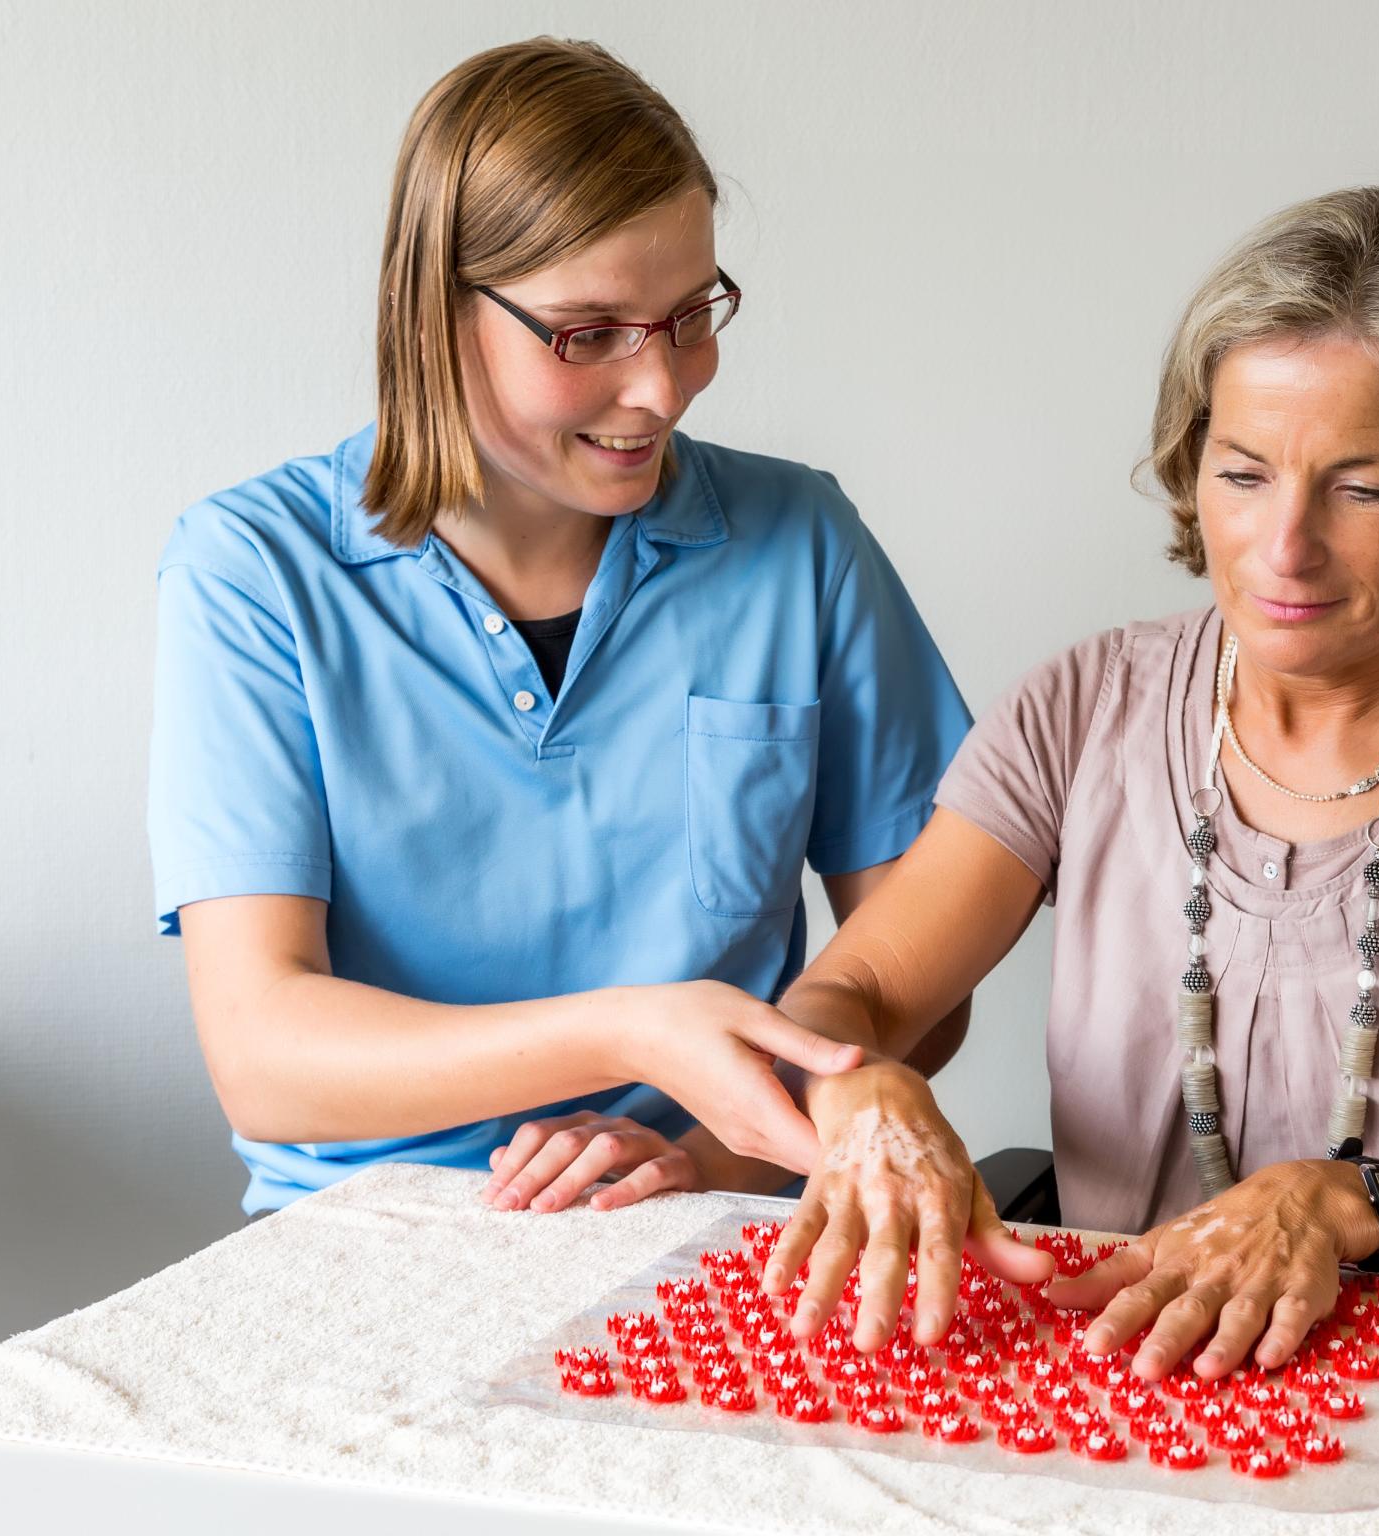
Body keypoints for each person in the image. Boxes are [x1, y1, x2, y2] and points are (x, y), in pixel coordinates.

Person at [755, 187, 1379, 1378]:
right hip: (1128, 1373)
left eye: (1361, 489)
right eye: (1244, 474)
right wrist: (867, 1093)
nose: (1283, 548)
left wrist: (1350, 1204)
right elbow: (842, 1002)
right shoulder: (1083, 704)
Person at [148, 38, 971, 1218]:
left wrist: (712, 1156)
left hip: (709, 1212)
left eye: (691, 315)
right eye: (589, 335)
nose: (664, 388)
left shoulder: (801, 542)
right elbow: (266, 1057)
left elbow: (918, 983)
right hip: (373, 1232)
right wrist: (634, 1033)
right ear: (438, 312)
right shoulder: (254, 573)